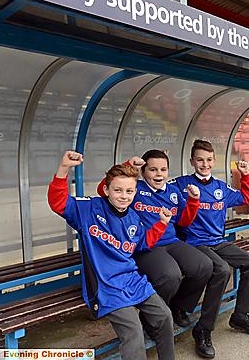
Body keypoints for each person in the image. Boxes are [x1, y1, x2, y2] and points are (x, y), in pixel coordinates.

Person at [48, 150, 175, 360]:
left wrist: (161, 224)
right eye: (118, 190)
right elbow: (58, 202)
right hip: (105, 286)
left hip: (131, 280)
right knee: (134, 331)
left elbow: (142, 244)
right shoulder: (89, 209)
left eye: (129, 191)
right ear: (106, 189)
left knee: (164, 316)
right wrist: (64, 169)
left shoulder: (134, 218)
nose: (123, 196)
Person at [172, 139, 249, 359]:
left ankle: (241, 315)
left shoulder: (219, 187)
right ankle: (203, 329)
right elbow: (160, 191)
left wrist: (245, 176)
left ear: (214, 161)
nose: (204, 164)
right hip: (195, 243)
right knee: (222, 270)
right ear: (192, 161)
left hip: (218, 241)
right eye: (199, 160)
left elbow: (245, 198)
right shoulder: (181, 184)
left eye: (208, 160)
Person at [96, 150, 213, 328]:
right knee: (170, 275)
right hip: (146, 246)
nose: (159, 174)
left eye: (163, 170)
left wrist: (193, 201)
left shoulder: (172, 192)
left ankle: (178, 306)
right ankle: (152, 317)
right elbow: (103, 189)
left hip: (171, 242)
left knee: (203, 266)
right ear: (143, 172)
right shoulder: (136, 188)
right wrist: (129, 165)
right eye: (153, 170)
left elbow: (184, 220)